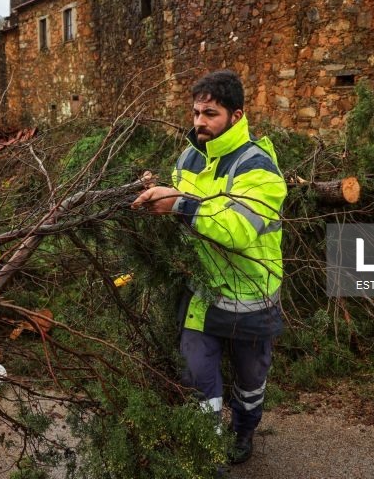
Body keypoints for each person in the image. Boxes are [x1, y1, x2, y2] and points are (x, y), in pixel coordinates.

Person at [132, 70, 287, 464]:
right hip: (203, 294)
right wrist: (157, 198)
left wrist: (179, 204)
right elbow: (183, 212)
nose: (199, 121)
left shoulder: (259, 167)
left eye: (210, 113)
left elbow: (236, 228)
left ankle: (243, 433)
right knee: (198, 378)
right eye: (196, 112)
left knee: (250, 382)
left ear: (236, 116)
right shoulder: (189, 155)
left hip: (251, 298)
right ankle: (208, 448)